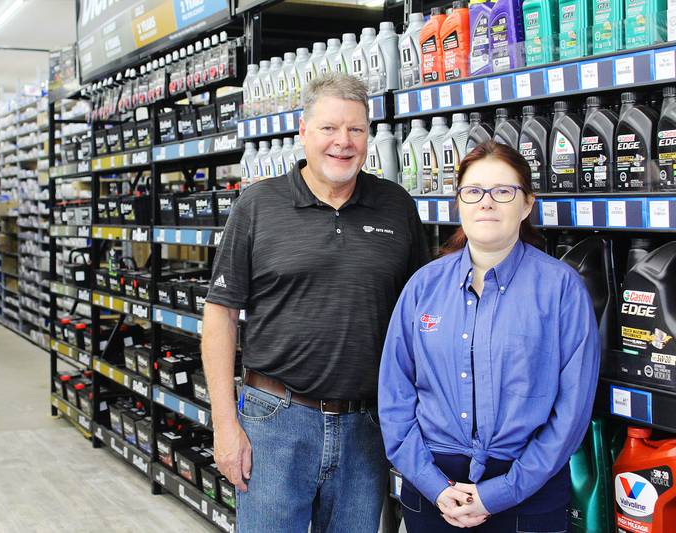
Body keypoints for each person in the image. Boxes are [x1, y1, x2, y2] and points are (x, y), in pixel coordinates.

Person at [201, 72, 429, 532]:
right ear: (303, 131)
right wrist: (225, 426)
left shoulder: (396, 206)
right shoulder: (257, 205)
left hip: (366, 426)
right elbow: (220, 314)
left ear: (368, 135)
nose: (342, 142)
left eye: (355, 130)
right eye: (328, 128)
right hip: (274, 420)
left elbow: (419, 316)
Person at [378, 141, 600, 532]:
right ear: (458, 203)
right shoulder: (423, 286)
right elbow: (394, 396)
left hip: (529, 491)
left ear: (527, 204)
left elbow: (572, 413)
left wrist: (499, 493)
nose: (487, 203)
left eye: (503, 191)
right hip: (433, 493)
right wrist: (433, 485)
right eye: (474, 191)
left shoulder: (561, 289)